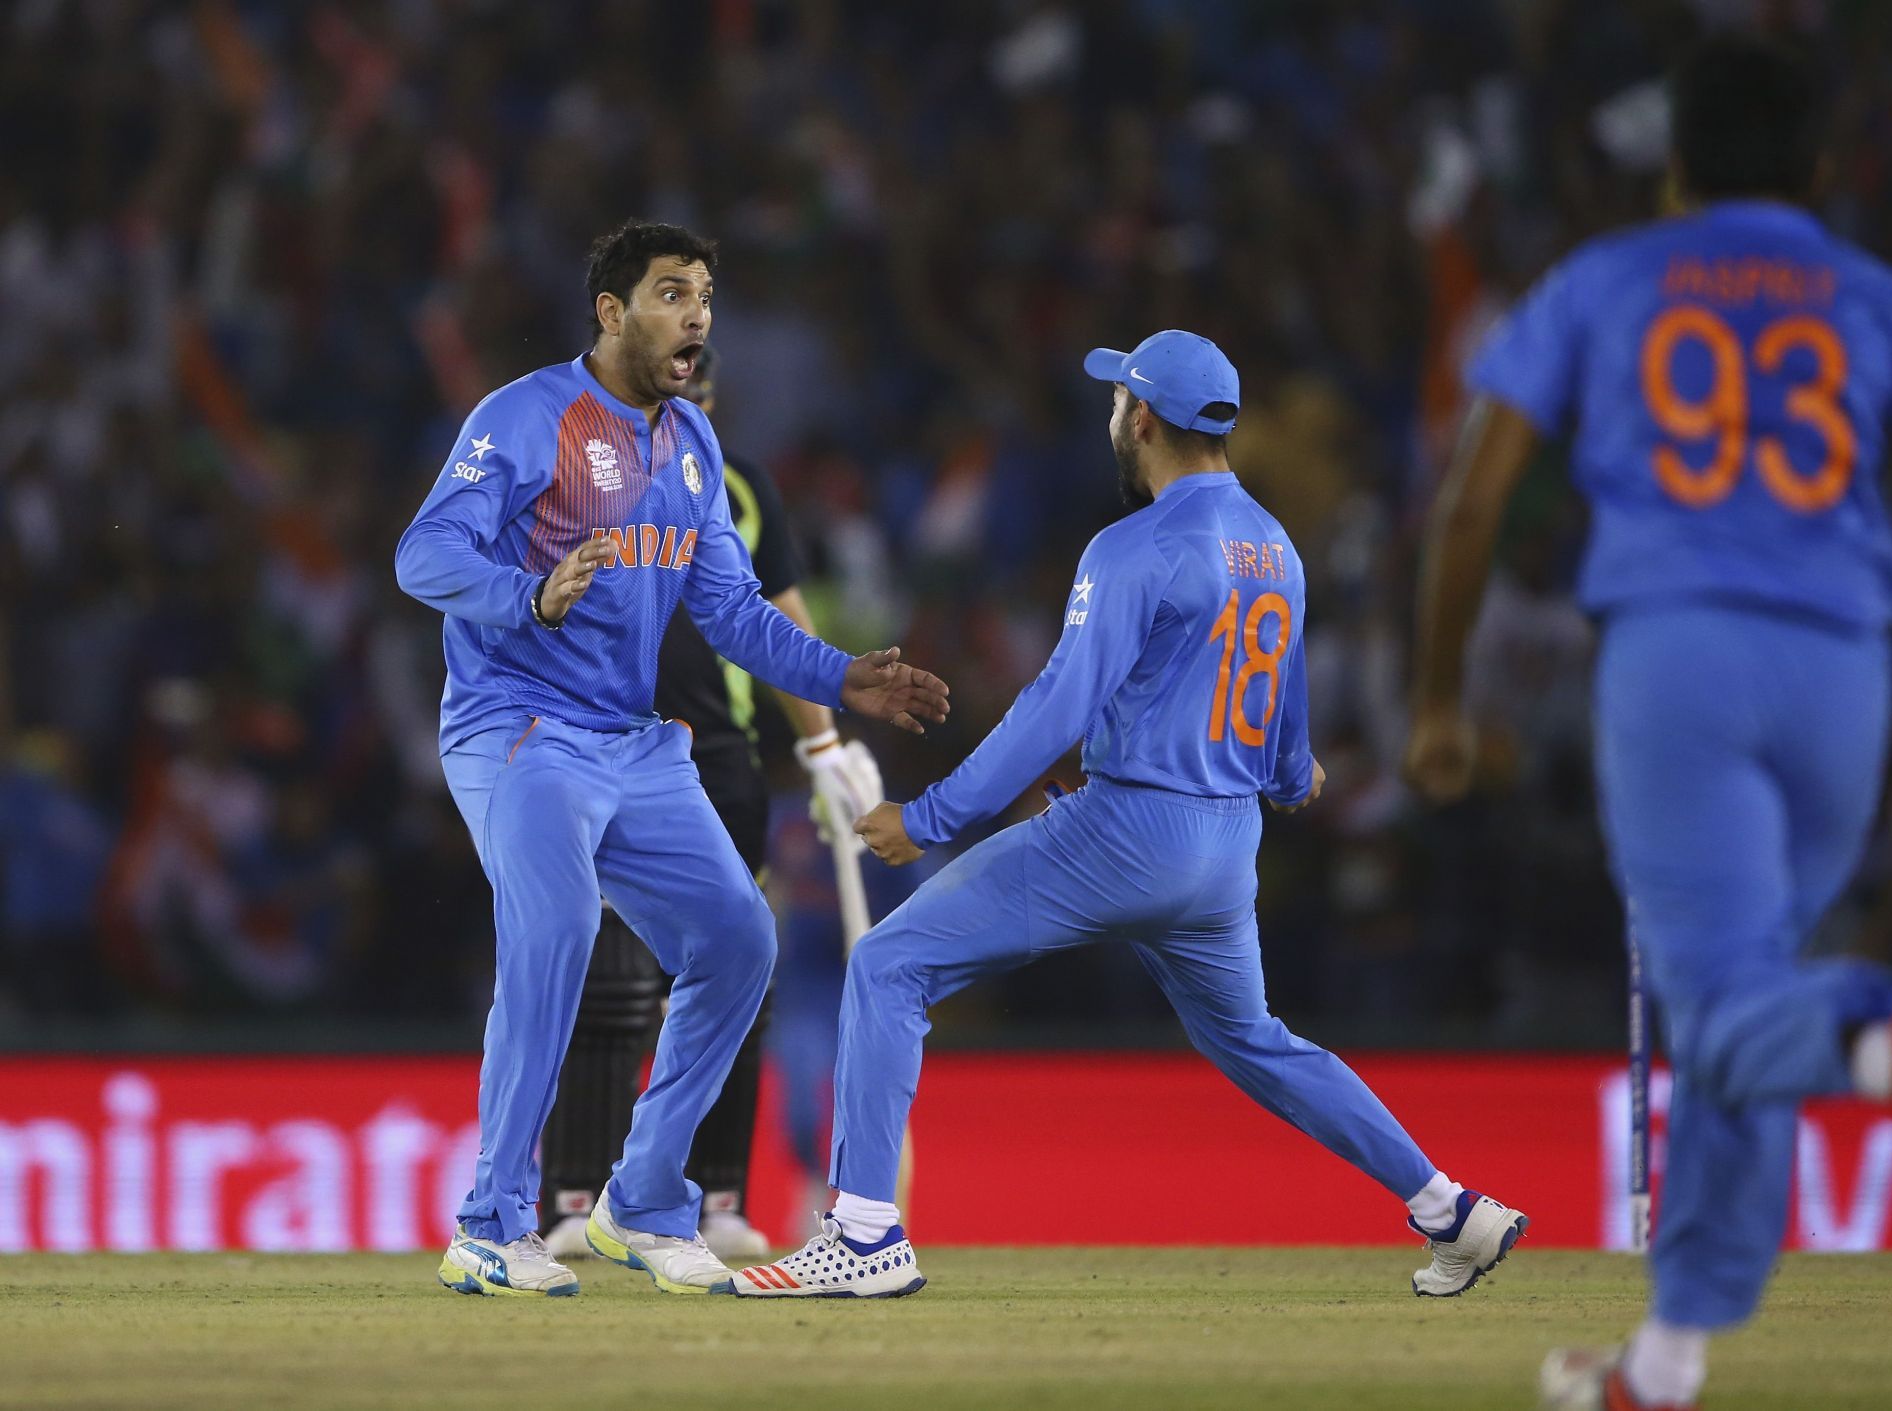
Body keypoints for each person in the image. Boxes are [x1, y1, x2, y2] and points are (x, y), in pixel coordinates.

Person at [726, 330, 1527, 1299]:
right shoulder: (1274, 543)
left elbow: (1055, 707)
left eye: (1119, 401)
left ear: (1141, 418)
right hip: (1227, 846)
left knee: (891, 966)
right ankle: (1451, 1207)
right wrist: (1283, 771)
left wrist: (932, 816)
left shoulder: (1132, 546)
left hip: (1127, 830)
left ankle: (862, 1237)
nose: (1113, 415)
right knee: (1258, 1041)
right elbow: (1286, 709)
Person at [1402, 36, 1892, 1411]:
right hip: (1845, 667)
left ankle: (1882, 1040)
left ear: (1676, 165)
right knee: (1744, 1001)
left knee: (1732, 1001)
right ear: (1818, 167)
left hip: (1679, 658)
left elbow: (1470, 498)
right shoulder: (1878, 297)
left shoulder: (1607, 280)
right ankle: (1667, 1364)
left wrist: (1441, 695)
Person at [394, 219, 948, 1298]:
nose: (695, 312)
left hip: (634, 743)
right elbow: (424, 553)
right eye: (669, 292)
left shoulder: (691, 446)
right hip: (519, 725)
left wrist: (843, 678)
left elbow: (735, 613)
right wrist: (527, 593)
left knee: (742, 939)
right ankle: (489, 1221)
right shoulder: (524, 416)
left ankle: (643, 1196)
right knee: (553, 930)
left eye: (704, 293)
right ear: (610, 312)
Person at [539, 346, 884, 1266]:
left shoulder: (740, 487)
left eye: (695, 389)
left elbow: (782, 615)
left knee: (736, 973)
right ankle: (578, 1192)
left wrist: (820, 742)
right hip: (606, 744)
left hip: (720, 763)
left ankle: (715, 1193)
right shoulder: (577, 470)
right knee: (607, 980)